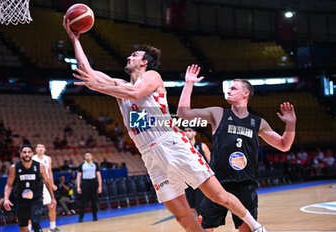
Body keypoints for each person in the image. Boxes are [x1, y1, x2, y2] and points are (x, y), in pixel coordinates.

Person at [64, 17, 267, 232]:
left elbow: (135, 93)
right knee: (182, 215)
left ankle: (256, 227)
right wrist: (75, 39)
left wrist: (98, 87)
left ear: (144, 62)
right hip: (149, 154)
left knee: (218, 196)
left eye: (134, 55)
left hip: (171, 143)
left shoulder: (152, 76)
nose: (128, 57)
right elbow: (87, 72)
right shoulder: (120, 85)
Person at [177, 65, 296, 232]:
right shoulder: (218, 114)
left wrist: (290, 124)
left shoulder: (258, 122)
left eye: (233, 88)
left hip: (245, 186)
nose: (228, 91)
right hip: (216, 185)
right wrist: (189, 83)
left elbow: (284, 145)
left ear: (245, 93)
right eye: (228, 88)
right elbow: (183, 114)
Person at [3, 145, 57, 232]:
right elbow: (8, 185)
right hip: (21, 200)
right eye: (24, 152)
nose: (27, 154)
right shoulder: (14, 167)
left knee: (35, 222)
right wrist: (6, 199)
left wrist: (53, 198)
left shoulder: (40, 166)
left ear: (32, 154)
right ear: (20, 154)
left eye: (29, 152)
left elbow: (47, 182)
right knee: (23, 227)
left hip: (36, 199)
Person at [183, 126, 211, 221]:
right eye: (185, 131)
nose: (187, 133)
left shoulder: (202, 145)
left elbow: (210, 163)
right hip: (187, 181)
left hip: (200, 181)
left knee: (201, 207)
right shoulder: (182, 148)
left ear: (195, 133)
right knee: (190, 209)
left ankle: (202, 227)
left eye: (189, 131)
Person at [32, 143, 61, 232]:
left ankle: (52, 227)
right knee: (31, 209)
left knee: (52, 206)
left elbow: (50, 172)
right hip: (35, 185)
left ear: (45, 149)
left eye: (42, 147)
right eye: (38, 147)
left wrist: (52, 184)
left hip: (46, 184)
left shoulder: (48, 158)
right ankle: (28, 229)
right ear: (36, 149)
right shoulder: (32, 158)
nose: (40, 148)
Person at [76, 151, 102, 222]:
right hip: (85, 183)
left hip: (93, 182)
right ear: (84, 157)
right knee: (83, 201)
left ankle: (95, 216)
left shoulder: (95, 164)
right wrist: (78, 186)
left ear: (91, 156)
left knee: (94, 200)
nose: (88, 157)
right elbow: (78, 176)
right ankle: (81, 218)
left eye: (89, 155)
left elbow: (99, 176)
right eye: (86, 156)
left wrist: (100, 186)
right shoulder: (82, 165)